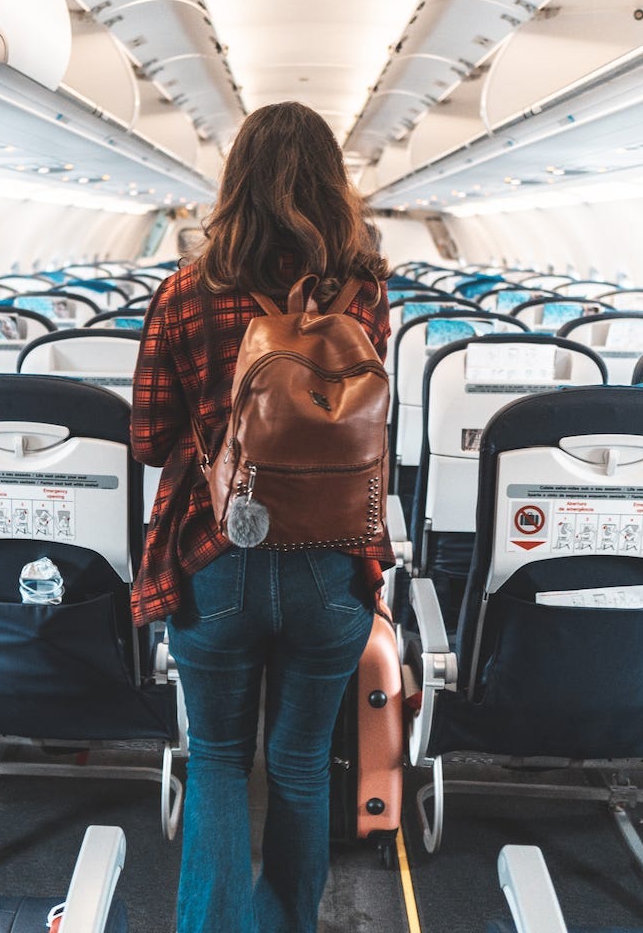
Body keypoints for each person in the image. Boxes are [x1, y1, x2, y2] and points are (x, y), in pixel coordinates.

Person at [131, 101, 393, 933]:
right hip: (331, 557)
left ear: (232, 182)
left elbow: (146, 439)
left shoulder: (182, 292)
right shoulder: (363, 292)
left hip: (216, 556)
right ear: (332, 185)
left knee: (213, 759)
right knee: (302, 763)